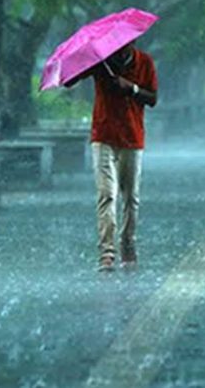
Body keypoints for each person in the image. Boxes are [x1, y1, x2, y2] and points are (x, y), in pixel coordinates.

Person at [67, 42, 158, 272]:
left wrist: (132, 88)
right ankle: (107, 252)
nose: (120, 49)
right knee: (107, 194)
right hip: (103, 135)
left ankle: (127, 243)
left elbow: (153, 98)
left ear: (133, 42)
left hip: (132, 136)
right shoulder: (101, 62)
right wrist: (84, 61)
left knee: (131, 197)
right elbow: (70, 81)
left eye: (125, 45)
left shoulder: (144, 62)